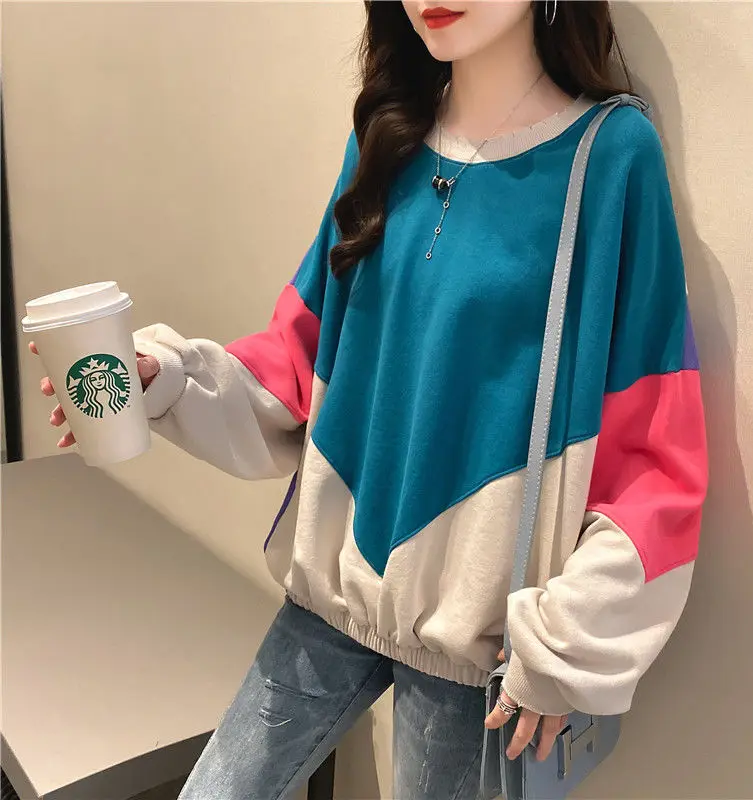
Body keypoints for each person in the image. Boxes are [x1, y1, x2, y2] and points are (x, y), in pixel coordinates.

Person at [33, 1, 708, 798]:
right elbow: (304, 361)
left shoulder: (609, 157)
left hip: (477, 643)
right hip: (335, 590)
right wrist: (164, 380)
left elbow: (657, 450)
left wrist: (571, 647)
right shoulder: (387, 136)